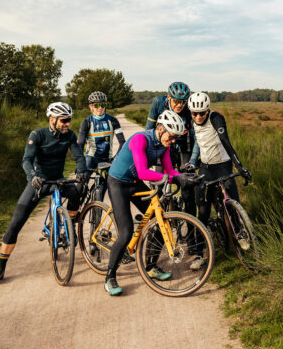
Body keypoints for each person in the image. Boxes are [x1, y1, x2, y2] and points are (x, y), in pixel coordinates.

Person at [0, 102, 88, 284]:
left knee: (75, 192)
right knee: (15, 223)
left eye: (69, 120)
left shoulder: (70, 135)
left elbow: (79, 156)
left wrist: (81, 171)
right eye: (64, 120)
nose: (68, 124)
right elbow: (27, 159)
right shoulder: (37, 135)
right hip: (38, 182)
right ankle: (0, 267)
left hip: (57, 180)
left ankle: (71, 224)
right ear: (52, 119)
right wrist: (32, 175)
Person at [103, 110, 198, 296]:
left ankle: (151, 266)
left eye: (175, 139)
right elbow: (143, 172)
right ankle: (110, 277)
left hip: (133, 183)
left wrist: (185, 177)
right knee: (126, 231)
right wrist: (174, 179)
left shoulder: (164, 144)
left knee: (162, 221)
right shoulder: (140, 140)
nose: (172, 141)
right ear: (161, 129)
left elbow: (170, 170)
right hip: (118, 183)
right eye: (171, 137)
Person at [185, 92, 251, 270]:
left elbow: (225, 141)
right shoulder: (191, 120)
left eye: (202, 113)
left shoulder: (216, 118)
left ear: (208, 110)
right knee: (203, 211)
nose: (198, 117)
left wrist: (240, 166)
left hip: (223, 165)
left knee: (231, 198)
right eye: (194, 113)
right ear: (191, 112)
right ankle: (199, 254)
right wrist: (190, 163)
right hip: (206, 168)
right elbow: (195, 141)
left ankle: (239, 233)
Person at [145, 82, 197, 219]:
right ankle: (156, 228)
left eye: (183, 102)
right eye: (176, 101)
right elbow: (149, 129)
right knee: (159, 186)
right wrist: (148, 155)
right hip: (164, 144)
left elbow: (196, 135)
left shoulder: (188, 108)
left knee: (188, 188)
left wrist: (194, 160)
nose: (180, 105)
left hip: (184, 145)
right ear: (168, 97)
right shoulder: (158, 103)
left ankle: (192, 233)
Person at [76, 91, 126, 201]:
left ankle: (96, 215)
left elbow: (122, 142)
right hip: (91, 159)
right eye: (96, 105)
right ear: (91, 107)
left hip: (106, 160)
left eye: (102, 105)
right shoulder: (86, 122)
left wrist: (116, 158)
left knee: (102, 190)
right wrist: (79, 164)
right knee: (80, 184)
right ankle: (74, 210)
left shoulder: (113, 121)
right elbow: (80, 144)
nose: (100, 108)